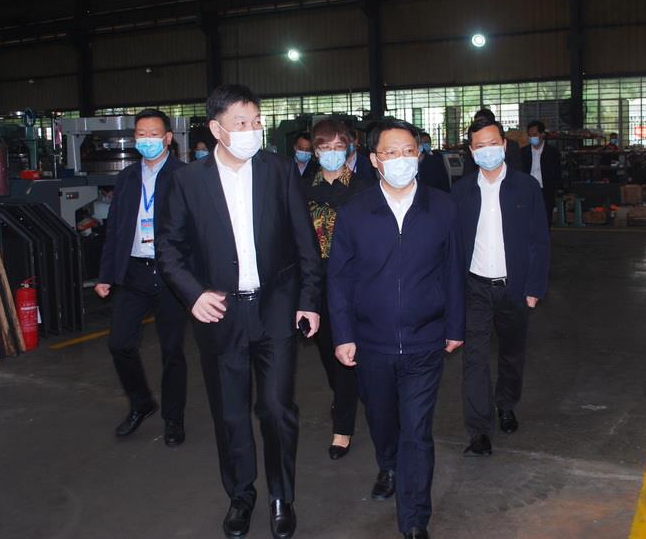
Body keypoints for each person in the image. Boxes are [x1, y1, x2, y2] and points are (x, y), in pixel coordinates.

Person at [155, 84, 323, 539]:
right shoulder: (188, 181)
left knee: (276, 408)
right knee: (230, 413)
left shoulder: (279, 171)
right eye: (241, 123)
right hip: (220, 313)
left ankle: (281, 497)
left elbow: (305, 242)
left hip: (276, 308)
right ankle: (241, 495)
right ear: (217, 129)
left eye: (256, 121)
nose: (252, 130)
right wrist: (193, 294)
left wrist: (309, 301)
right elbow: (169, 249)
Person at [328, 118, 465, 539]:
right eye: (391, 152)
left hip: (426, 339)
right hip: (372, 342)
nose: (401, 160)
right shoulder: (355, 212)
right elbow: (340, 279)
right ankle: (387, 464)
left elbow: (453, 269)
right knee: (383, 419)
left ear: (419, 156)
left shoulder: (442, 207)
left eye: (409, 151)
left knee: (417, 431)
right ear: (374, 160)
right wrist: (343, 334)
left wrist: (455, 324)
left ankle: (414, 519)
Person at [451, 118, 549, 458]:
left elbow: (539, 240)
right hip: (474, 287)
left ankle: (506, 404)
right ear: (471, 151)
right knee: (475, 360)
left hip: (514, 286)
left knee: (511, 352)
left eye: (493, 143)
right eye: (480, 146)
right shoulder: (461, 192)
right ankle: (479, 430)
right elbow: (453, 246)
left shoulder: (526, 187)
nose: (487, 150)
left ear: (504, 145)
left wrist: (534, 287)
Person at [94, 108, 188, 447]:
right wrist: (106, 274)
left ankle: (173, 419)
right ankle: (141, 402)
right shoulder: (127, 177)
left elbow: (197, 231)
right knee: (119, 343)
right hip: (134, 271)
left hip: (171, 275)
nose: (147, 140)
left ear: (168, 138)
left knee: (172, 351)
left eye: (154, 134)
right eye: (141, 135)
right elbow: (115, 229)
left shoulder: (184, 176)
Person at [303, 117, 371, 460]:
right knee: (328, 351)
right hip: (315, 284)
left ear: (349, 149)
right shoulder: (302, 188)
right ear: (315, 151)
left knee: (347, 351)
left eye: (338, 146)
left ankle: (342, 427)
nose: (331, 152)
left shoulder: (363, 189)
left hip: (352, 283)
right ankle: (347, 395)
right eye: (324, 147)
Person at [522, 120, 562, 228]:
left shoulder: (552, 152)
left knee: (545, 218)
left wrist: (556, 188)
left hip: (546, 190)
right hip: (527, 190)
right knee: (528, 219)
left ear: (542, 134)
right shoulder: (523, 152)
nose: (532, 137)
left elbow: (557, 172)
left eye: (535, 134)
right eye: (530, 135)